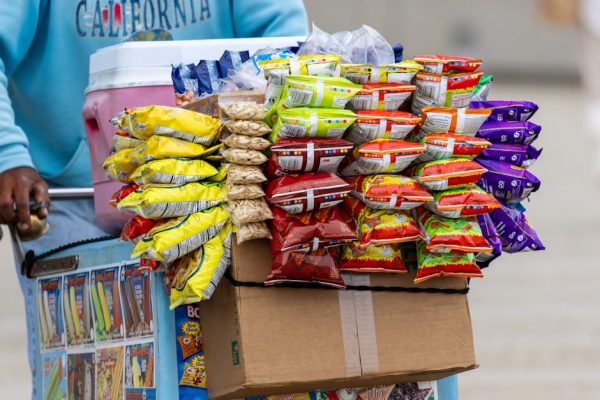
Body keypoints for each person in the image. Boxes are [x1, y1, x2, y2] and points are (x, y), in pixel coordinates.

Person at [0, 1, 457, 398]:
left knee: (217, 352)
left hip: (216, 172)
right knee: (83, 353)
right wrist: (8, 157)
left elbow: (284, 39)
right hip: (69, 191)